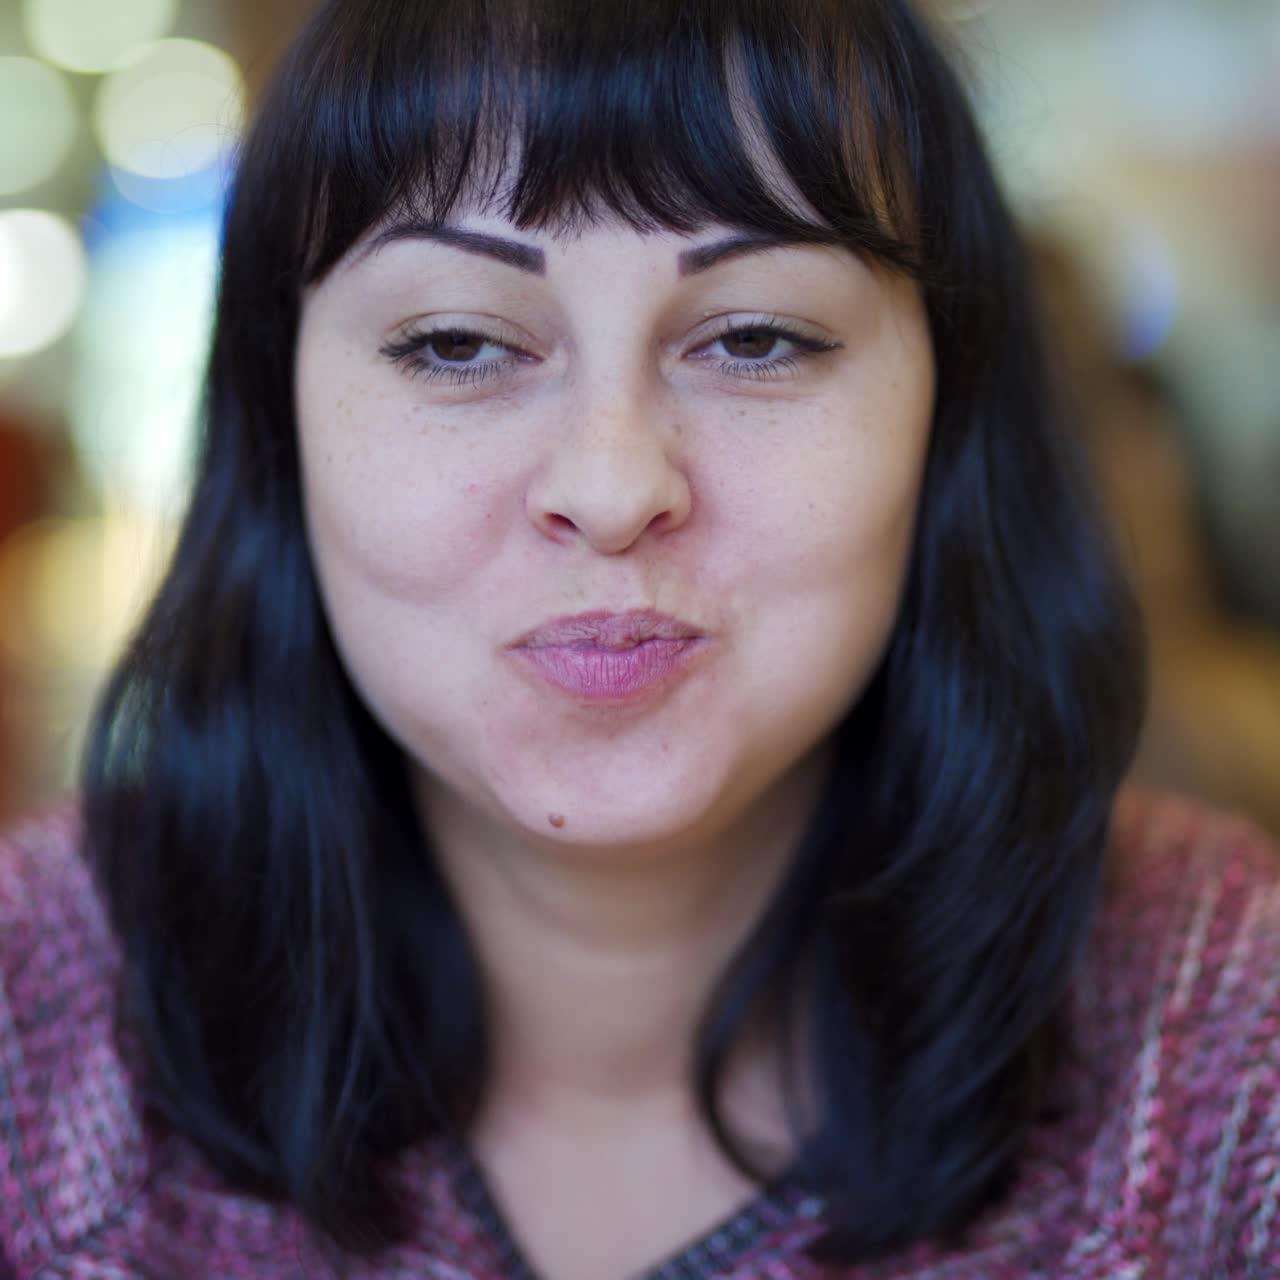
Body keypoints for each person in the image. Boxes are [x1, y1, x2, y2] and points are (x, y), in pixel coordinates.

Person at [1, 0, 1277, 1276]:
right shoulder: (32, 1013)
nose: (612, 487)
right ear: (277, 425)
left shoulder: (1222, 1023)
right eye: (454, 342)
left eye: (756, 337)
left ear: (944, 419)